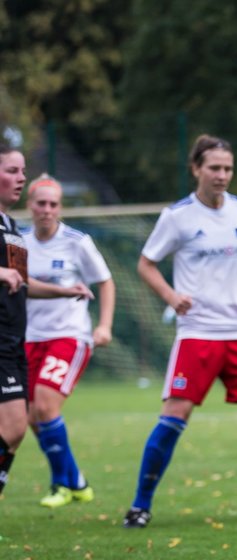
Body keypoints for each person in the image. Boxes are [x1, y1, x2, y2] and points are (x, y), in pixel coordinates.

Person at [122, 134, 237, 528]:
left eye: (228, 168)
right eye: (214, 167)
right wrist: (170, 294)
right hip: (197, 332)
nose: (222, 175)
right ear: (196, 169)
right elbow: (146, 263)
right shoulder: (177, 216)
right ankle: (141, 504)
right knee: (173, 416)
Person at [0, 145, 93, 509]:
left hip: (13, 341)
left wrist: (62, 290)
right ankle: (70, 481)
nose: (20, 177)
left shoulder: (9, 226)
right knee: (14, 426)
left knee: (17, 428)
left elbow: (21, 282)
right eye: (11, 170)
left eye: (23, 171)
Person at [22, 174, 116, 507]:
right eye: (41, 203)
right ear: (30, 206)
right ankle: (75, 480)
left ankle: (61, 485)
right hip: (30, 338)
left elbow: (105, 282)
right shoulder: (19, 243)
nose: (47, 210)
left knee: (45, 406)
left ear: (60, 208)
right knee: (31, 417)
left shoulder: (77, 242)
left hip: (70, 336)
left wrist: (103, 325)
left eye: (53, 204)